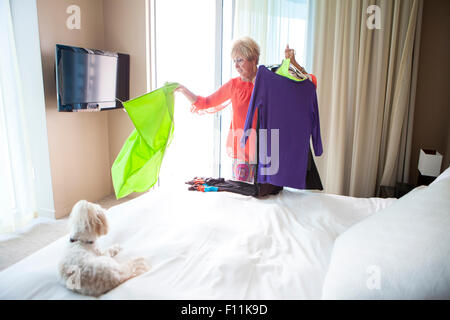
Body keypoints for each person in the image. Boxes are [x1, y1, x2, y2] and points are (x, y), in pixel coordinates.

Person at [175, 37, 309, 185]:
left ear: (254, 59)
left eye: (240, 60)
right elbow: (205, 102)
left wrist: (294, 63)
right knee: (242, 196)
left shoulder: (270, 81)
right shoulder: (233, 85)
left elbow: (306, 85)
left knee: (268, 198)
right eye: (234, 61)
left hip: (268, 151)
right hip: (242, 151)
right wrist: (183, 90)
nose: (236, 66)